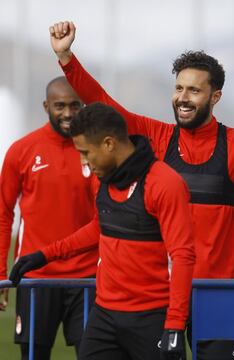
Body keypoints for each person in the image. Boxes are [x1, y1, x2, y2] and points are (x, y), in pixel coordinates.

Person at [49, 21, 234, 360]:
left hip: (217, 296)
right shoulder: (156, 137)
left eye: (194, 91)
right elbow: (103, 104)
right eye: (179, 88)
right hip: (162, 297)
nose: (183, 98)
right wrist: (66, 56)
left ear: (215, 97)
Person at [9, 102, 195, 360]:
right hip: (104, 316)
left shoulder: (165, 184)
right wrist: (44, 255)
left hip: (151, 318)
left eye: (86, 152)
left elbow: (183, 255)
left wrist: (175, 325)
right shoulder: (105, 177)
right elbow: (99, 228)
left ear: (109, 144)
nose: (84, 162)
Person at [0, 76, 98, 360]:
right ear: (46, 106)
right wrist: (1, 275)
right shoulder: (22, 150)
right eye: (59, 106)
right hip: (35, 278)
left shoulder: (95, 151)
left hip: (87, 278)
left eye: (74, 106)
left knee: (94, 354)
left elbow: (106, 217)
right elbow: (4, 214)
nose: (67, 113)